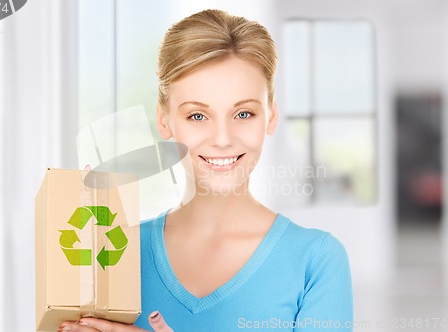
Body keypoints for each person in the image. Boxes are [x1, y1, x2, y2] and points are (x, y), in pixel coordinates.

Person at [59, 9, 353, 332]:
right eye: (197, 116)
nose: (223, 139)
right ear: (164, 120)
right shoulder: (114, 251)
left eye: (243, 114)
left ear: (270, 116)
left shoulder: (316, 261)